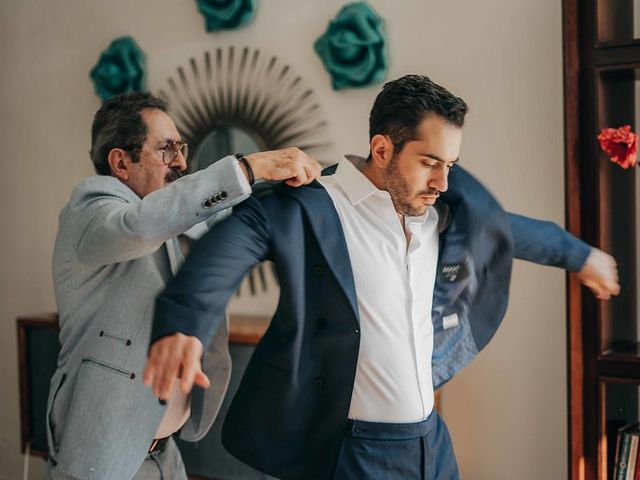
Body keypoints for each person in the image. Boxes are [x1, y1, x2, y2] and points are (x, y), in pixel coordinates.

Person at [144, 75, 620, 480]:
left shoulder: (440, 213)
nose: (442, 182)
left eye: (449, 165)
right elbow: (225, 249)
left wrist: (581, 256)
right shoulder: (310, 206)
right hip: (356, 452)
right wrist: (185, 322)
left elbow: (506, 231)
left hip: (433, 444)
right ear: (381, 148)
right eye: (430, 162)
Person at [45, 91, 322, 480]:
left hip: (165, 455)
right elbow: (140, 225)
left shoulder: (177, 216)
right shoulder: (91, 207)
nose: (181, 161)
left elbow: (230, 222)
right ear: (121, 162)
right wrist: (249, 165)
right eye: (166, 149)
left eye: (181, 147)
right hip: (102, 458)